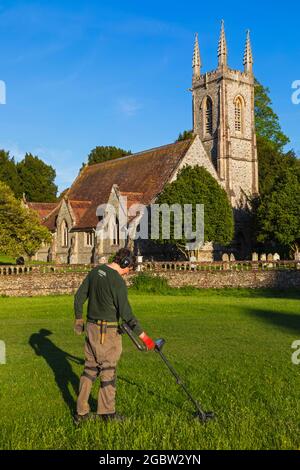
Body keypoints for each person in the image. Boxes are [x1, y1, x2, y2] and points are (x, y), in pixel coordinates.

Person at [73, 248, 156, 423]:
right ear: (125, 263)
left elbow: (79, 296)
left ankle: (81, 413)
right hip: (107, 333)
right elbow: (127, 315)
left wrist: (79, 319)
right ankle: (107, 413)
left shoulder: (96, 271)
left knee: (89, 369)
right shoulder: (117, 281)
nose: (128, 273)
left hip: (91, 328)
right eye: (129, 269)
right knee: (108, 370)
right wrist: (146, 339)